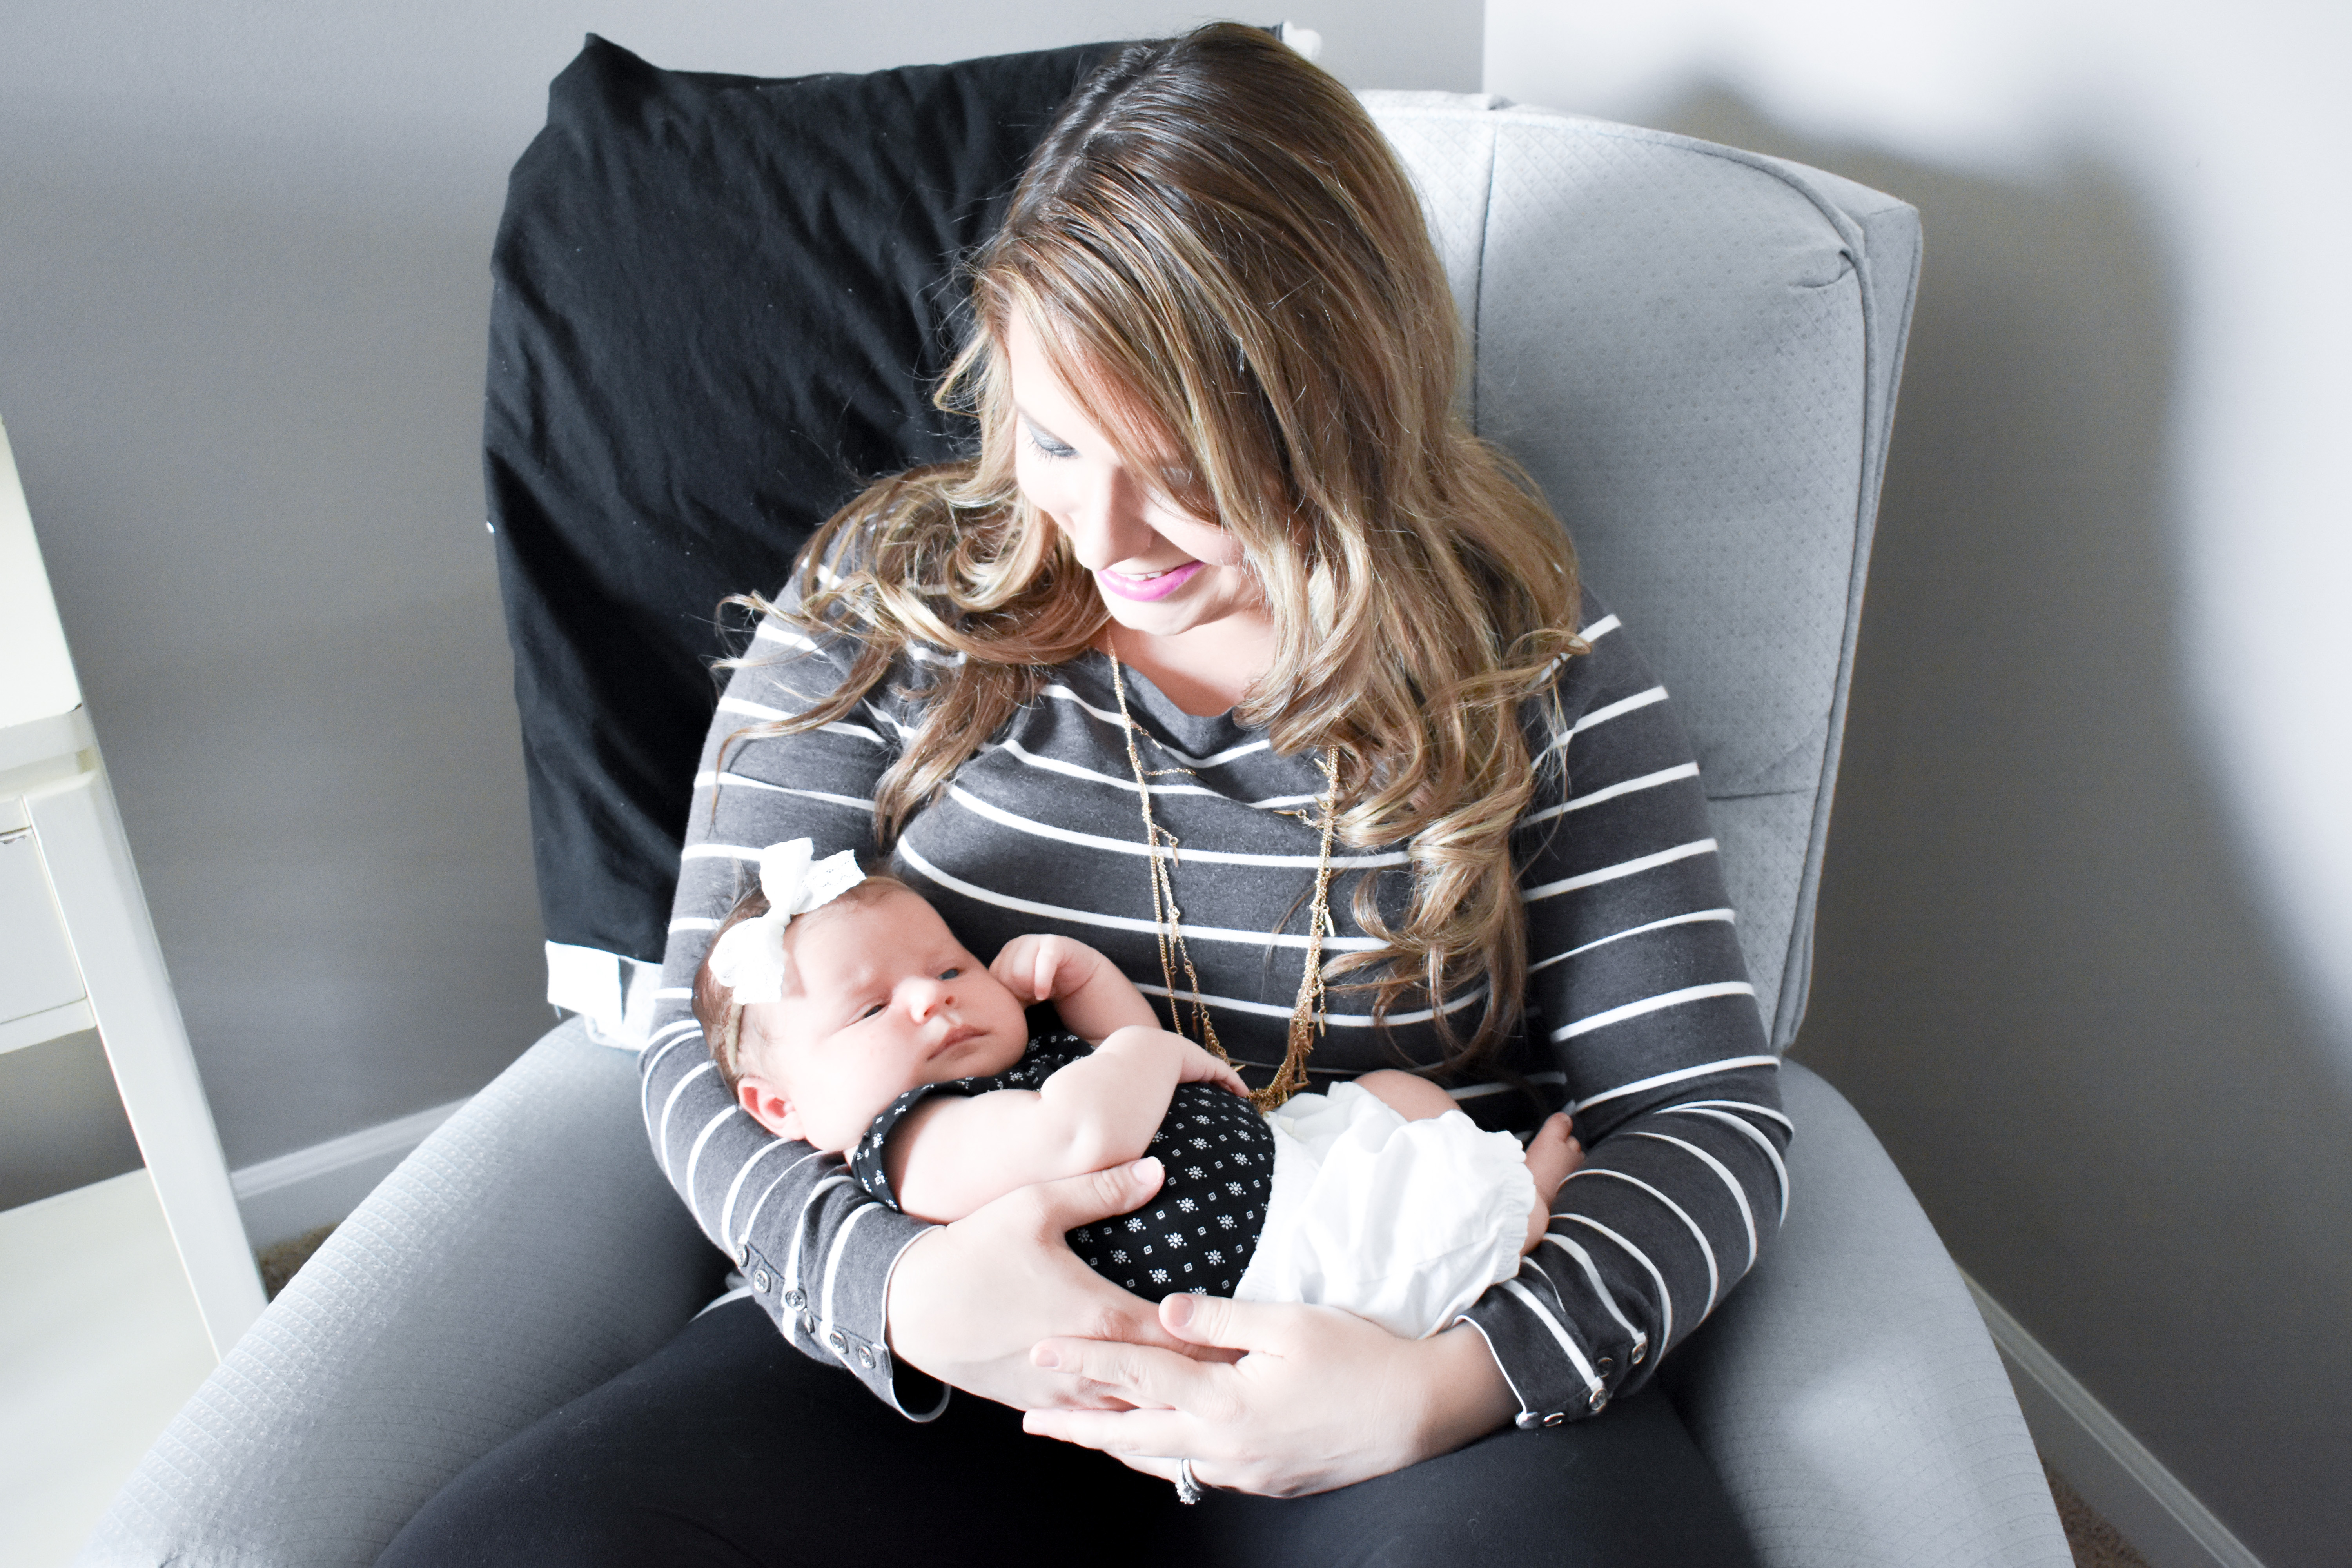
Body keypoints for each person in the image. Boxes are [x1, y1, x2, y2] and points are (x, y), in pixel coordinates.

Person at [383, 23, 1781, 1565]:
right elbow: (699, 1042)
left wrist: (1442, 1390)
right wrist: (898, 1292)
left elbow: (1700, 1116)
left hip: (1379, 1348)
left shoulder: (1536, 673)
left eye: (1179, 462)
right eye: (1054, 435)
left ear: (1345, 413)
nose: (1102, 526)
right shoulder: (888, 601)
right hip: (946, 1369)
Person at [690, 840, 1583, 1332]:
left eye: (951, 964)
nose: (934, 998)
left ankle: (1484, 1171)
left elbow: (1130, 1052)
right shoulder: (915, 1142)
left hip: (1281, 1158)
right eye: (872, 1009)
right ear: (783, 1107)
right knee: (1423, 1239)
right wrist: (1155, 1060)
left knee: (1398, 1093)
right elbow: (1086, 1134)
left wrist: (1082, 983)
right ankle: (1524, 1208)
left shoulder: (1012, 1059)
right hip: (1261, 1270)